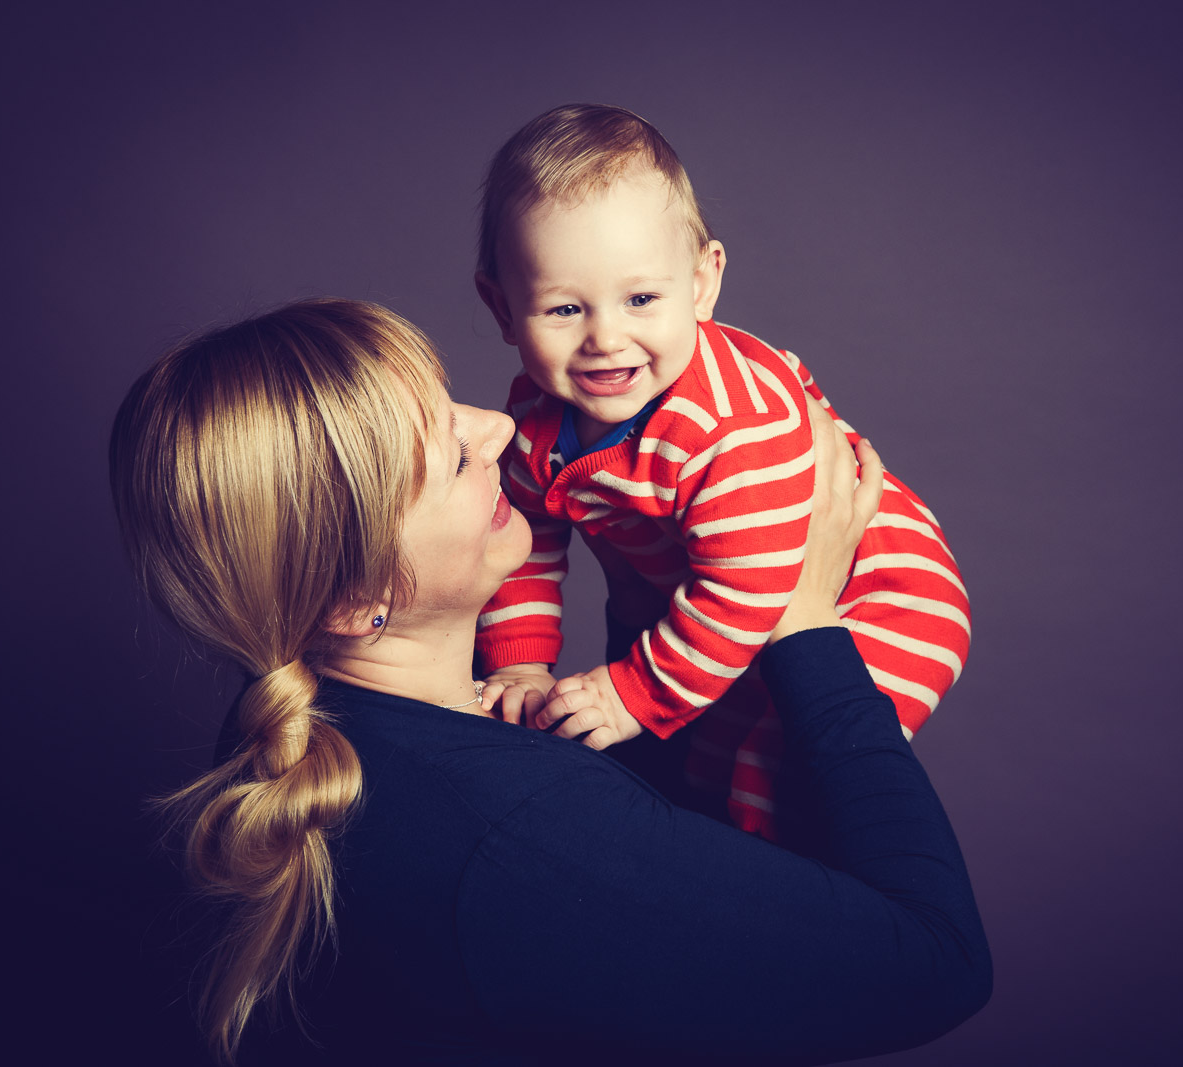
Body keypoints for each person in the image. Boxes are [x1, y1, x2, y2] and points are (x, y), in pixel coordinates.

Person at [110, 298, 990, 1064]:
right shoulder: (518, 831)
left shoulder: (290, 733)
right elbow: (937, 960)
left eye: (455, 405)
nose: (496, 427)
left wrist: (667, 574)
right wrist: (801, 615)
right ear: (357, 596)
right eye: (451, 456)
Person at [473, 104, 972, 837]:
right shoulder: (532, 420)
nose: (607, 339)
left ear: (703, 283)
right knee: (698, 781)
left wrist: (631, 695)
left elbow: (748, 586)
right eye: (564, 308)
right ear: (502, 307)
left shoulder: (727, 424)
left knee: (775, 781)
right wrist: (521, 664)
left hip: (876, 594)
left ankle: (804, 927)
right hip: (708, 605)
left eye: (642, 298)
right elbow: (524, 541)